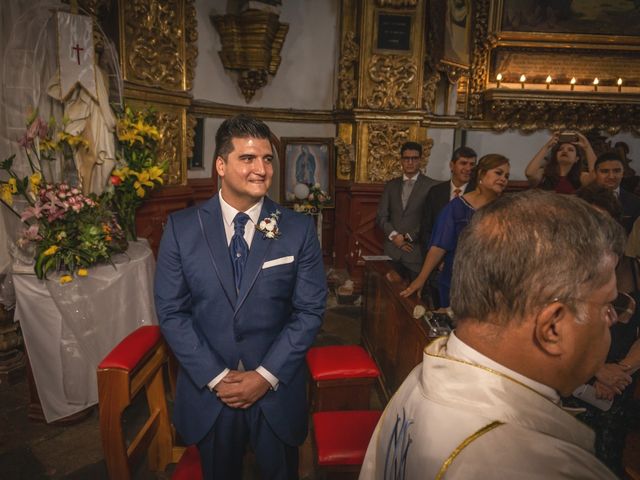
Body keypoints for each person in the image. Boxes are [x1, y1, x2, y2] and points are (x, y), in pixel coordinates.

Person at [360, 190, 623, 479]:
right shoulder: (535, 467)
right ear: (552, 327)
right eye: (608, 305)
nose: (613, 320)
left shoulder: (420, 377)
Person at [154, 115, 327, 479]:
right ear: (221, 164)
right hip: (211, 390)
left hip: (275, 387)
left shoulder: (297, 229)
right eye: (247, 158)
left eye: (267, 159)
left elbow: (309, 311)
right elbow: (171, 312)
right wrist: (218, 377)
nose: (261, 169)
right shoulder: (182, 228)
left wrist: (264, 376)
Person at [400, 154, 510, 306]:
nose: (503, 178)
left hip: (494, 284)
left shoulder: (507, 209)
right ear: (482, 173)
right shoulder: (457, 207)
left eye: (506, 175)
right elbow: (439, 246)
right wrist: (421, 279)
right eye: (498, 173)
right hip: (459, 282)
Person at [376, 141, 438, 280]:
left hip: (416, 253)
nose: (410, 162)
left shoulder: (432, 186)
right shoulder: (391, 185)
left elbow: (430, 220)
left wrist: (406, 237)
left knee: (414, 298)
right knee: (390, 295)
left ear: (421, 160)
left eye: (414, 158)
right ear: (401, 160)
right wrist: (395, 237)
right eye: (406, 158)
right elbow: (381, 217)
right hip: (392, 252)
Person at [525, 131, 596, 194]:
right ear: (556, 156)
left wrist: (587, 147)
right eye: (561, 149)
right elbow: (530, 173)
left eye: (570, 150)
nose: (565, 151)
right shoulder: (544, 173)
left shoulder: (581, 176)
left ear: (576, 159)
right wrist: (547, 146)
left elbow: (595, 176)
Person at [593, 150, 640, 233]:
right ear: (595, 173)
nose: (611, 176)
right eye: (605, 171)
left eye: (616, 171)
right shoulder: (583, 199)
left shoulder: (636, 203)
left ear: (623, 173)